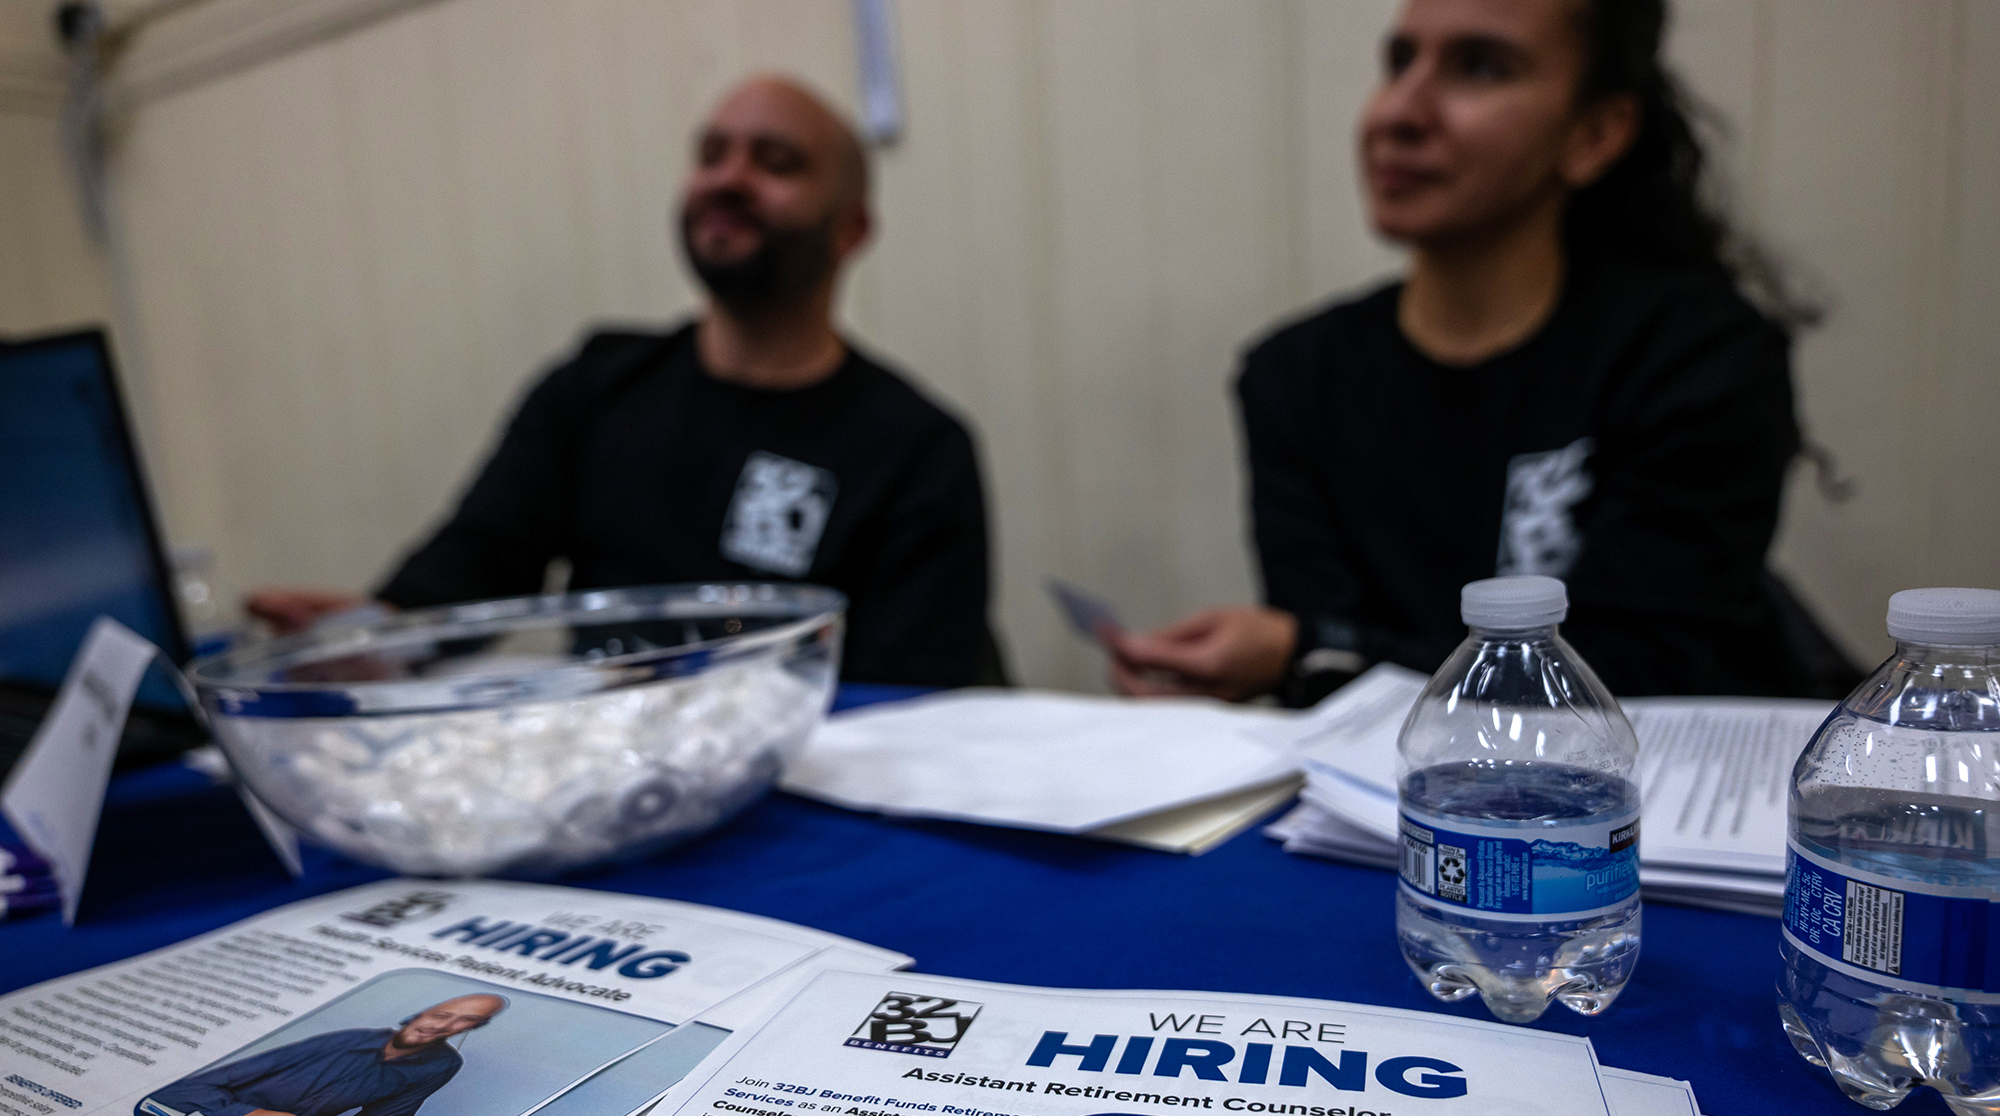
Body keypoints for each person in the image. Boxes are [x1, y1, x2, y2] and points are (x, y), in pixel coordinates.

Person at [1111, 0, 1855, 706]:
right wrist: (1307, 652)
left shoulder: (1697, 356)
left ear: (1594, 134)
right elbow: (1335, 687)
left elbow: (1635, 679)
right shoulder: (1296, 375)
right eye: (1399, 61)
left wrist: (1304, 650)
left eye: (1481, 68)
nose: (1399, 113)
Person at [249, 76, 995, 688]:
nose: (730, 178)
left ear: (851, 229)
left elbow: (907, 704)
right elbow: (476, 561)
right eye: (711, 154)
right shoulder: (598, 385)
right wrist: (374, 636)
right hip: (610, 780)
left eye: (776, 162)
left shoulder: (917, 449)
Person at [149, 994, 505, 1116]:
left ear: (473, 1028)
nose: (442, 1026)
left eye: (463, 1022)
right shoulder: (343, 1039)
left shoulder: (442, 1065)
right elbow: (183, 1088)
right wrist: (242, 1114)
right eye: (440, 1014)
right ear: (419, 1014)